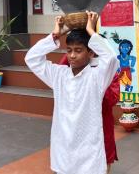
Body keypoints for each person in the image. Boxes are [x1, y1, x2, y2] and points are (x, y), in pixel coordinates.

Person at [25, 12, 119, 174]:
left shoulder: (97, 77)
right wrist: (56, 34)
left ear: (90, 53)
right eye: (68, 50)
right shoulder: (59, 75)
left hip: (88, 151)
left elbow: (110, 58)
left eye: (78, 50)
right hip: (63, 148)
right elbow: (31, 58)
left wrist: (91, 31)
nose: (72, 55)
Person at [58, 54, 120, 172]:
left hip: (101, 127)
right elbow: (61, 69)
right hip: (75, 127)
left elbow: (112, 99)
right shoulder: (71, 72)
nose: (73, 55)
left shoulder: (107, 71)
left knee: (101, 161)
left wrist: (100, 79)